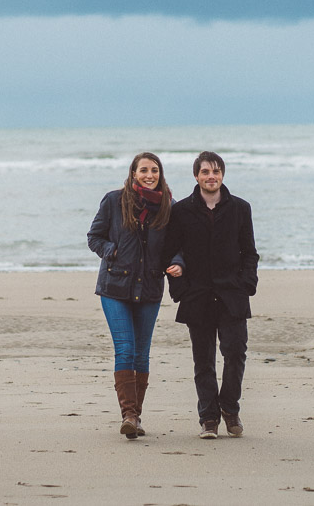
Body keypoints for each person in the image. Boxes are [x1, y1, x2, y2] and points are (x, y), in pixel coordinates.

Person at [162, 151, 259, 439]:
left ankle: (230, 408)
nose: (211, 176)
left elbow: (249, 253)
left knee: (235, 353)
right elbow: (170, 251)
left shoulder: (241, 208)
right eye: (205, 172)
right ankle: (208, 419)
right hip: (198, 295)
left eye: (216, 171)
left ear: (223, 175)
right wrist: (179, 288)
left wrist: (246, 285)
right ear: (196, 176)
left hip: (232, 294)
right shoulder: (181, 212)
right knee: (203, 361)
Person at [88, 152, 183, 439]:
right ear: (133, 174)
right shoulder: (113, 201)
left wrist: (179, 262)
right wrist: (111, 252)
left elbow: (180, 244)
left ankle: (135, 418)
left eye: (154, 170)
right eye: (143, 170)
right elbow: (94, 237)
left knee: (142, 354)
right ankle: (129, 414)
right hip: (115, 287)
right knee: (126, 350)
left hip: (151, 288)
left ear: (160, 174)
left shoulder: (169, 207)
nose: (149, 175)